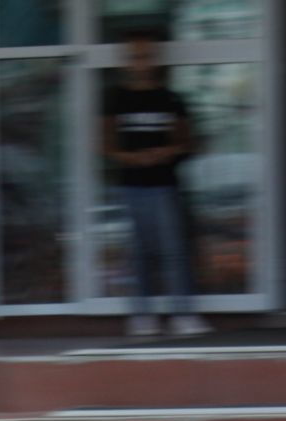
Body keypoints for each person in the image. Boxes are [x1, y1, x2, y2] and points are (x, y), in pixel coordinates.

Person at [101, 30, 209, 339]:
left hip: (165, 183)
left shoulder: (170, 98)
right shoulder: (116, 99)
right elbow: (105, 143)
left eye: (147, 56)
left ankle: (183, 314)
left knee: (175, 250)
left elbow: (187, 141)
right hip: (131, 184)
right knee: (138, 251)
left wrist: (164, 152)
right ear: (126, 62)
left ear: (157, 60)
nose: (142, 63)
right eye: (135, 57)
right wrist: (132, 158)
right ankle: (142, 315)